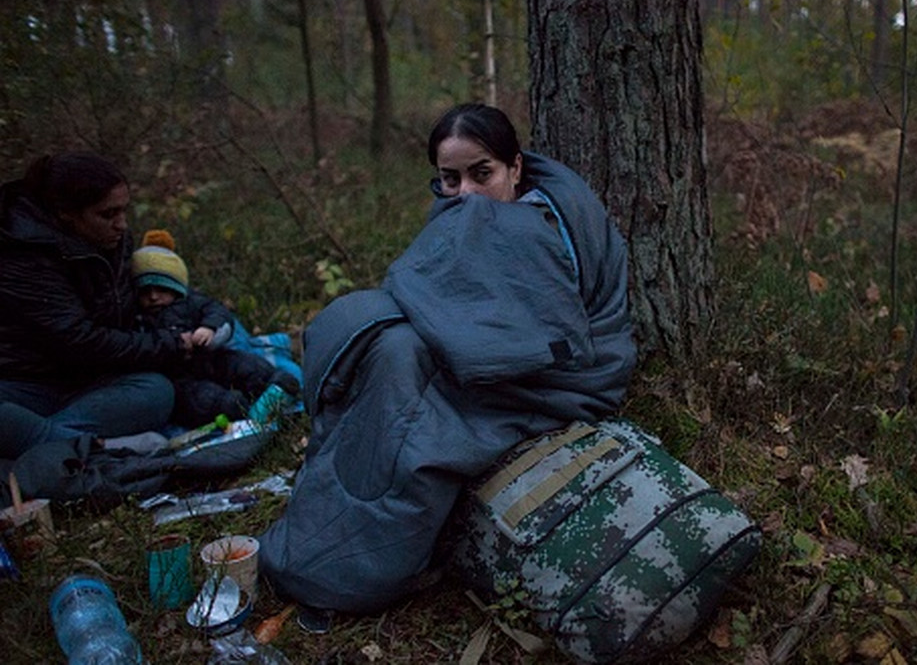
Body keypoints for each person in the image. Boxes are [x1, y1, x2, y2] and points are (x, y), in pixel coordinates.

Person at [259, 103, 637, 618]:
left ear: (516, 168)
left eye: (483, 173)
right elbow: (445, 289)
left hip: (558, 378)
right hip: (484, 359)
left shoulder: (535, 224)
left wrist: (429, 325)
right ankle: (320, 541)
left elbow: (535, 336)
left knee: (410, 393)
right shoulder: (473, 210)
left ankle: (342, 571)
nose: (467, 194)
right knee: (387, 353)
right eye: (450, 179)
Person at [0, 152, 188, 461]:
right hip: (25, 384)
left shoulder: (111, 241)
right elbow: (77, 340)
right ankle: (86, 448)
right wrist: (163, 346)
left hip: (91, 383)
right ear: (66, 214)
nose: (121, 224)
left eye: (123, 211)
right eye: (107, 214)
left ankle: (41, 444)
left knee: (155, 392)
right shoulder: (21, 253)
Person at [131, 230, 301, 428]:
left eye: (161, 289)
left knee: (246, 365)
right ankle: (238, 411)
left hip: (212, 356)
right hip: (180, 377)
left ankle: (278, 386)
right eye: (145, 291)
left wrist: (209, 329)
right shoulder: (137, 317)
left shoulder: (191, 301)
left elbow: (217, 311)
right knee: (202, 399)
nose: (153, 297)